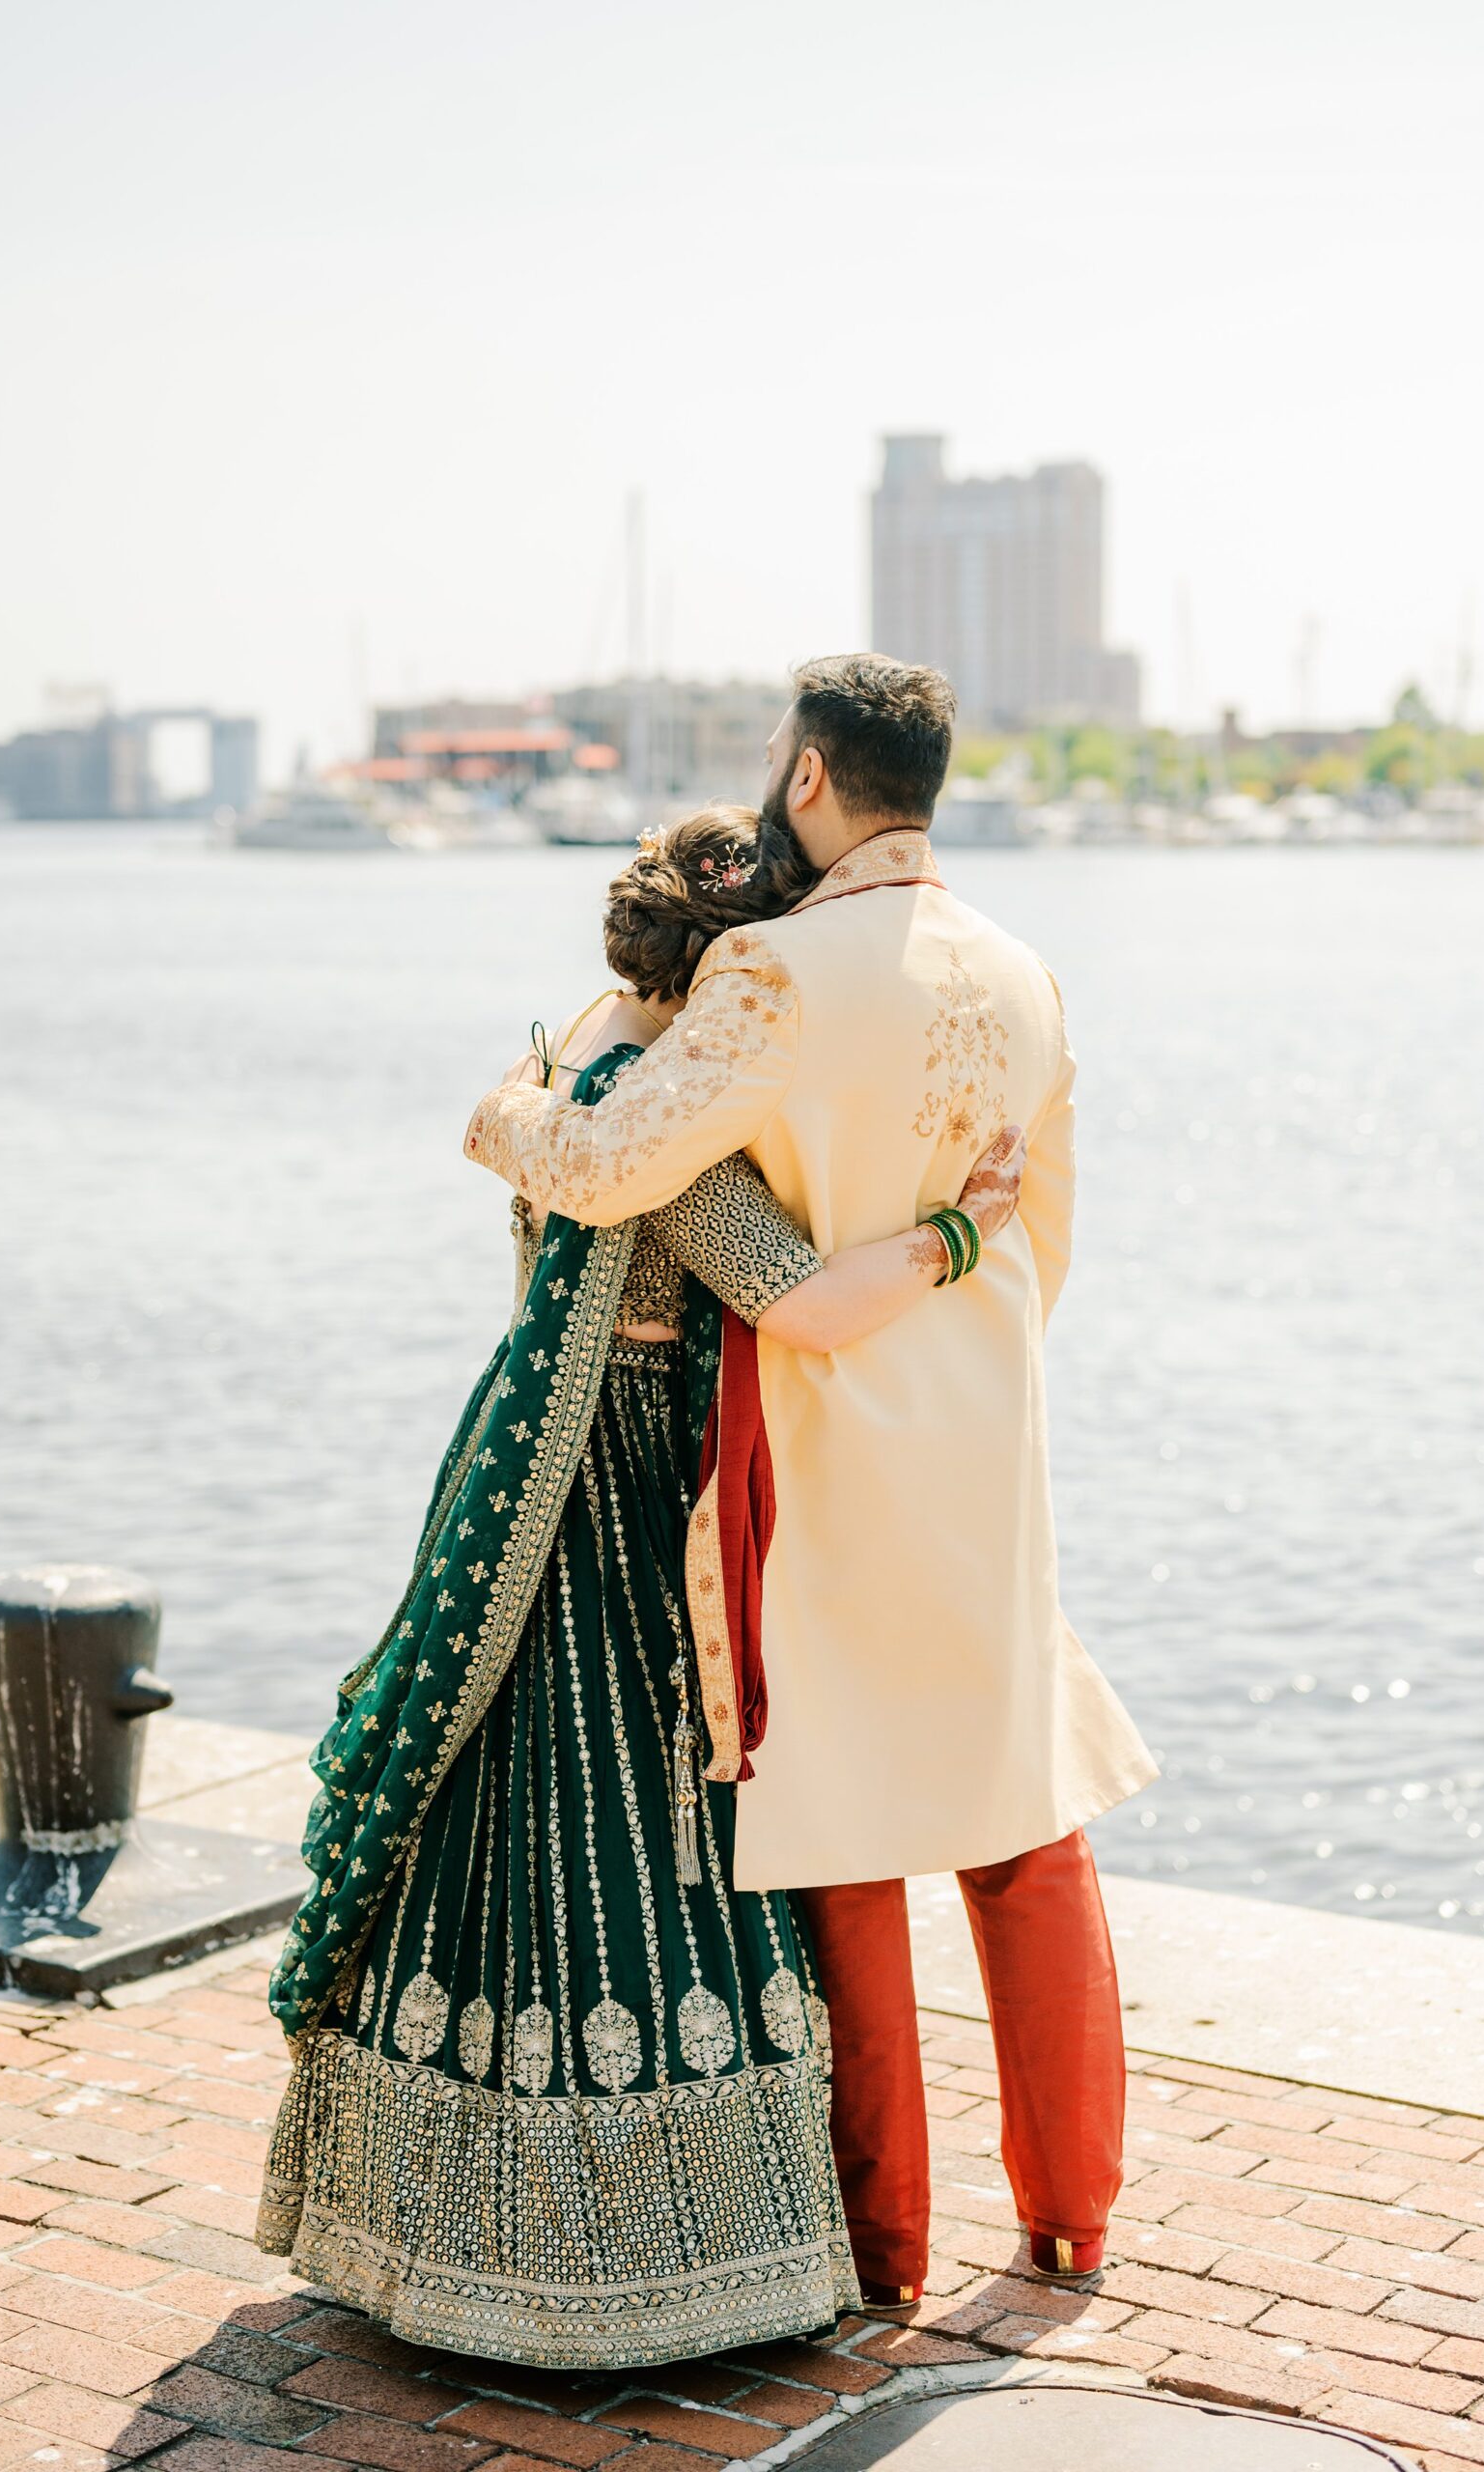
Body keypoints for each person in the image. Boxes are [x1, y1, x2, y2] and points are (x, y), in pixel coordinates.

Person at [257, 801, 1027, 2370]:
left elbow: (517, 1126)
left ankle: (410, 2230)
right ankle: (639, 2265)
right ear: (731, 968)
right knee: (619, 1808)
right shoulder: (673, 1144)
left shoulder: (561, 1069)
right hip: (618, 1496)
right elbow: (806, 1308)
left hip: (509, 1460)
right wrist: (961, 1230)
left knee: (484, 1793)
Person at [463, 656, 1158, 2309]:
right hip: (986, 1445)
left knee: (845, 1838)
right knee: (1021, 1826)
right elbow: (1046, 1246)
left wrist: (502, 1115)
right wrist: (960, 1329)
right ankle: (1071, 2221)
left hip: (823, 1443)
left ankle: (886, 2257)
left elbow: (613, 1161)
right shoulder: (1025, 974)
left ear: (808, 780)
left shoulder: (770, 975)